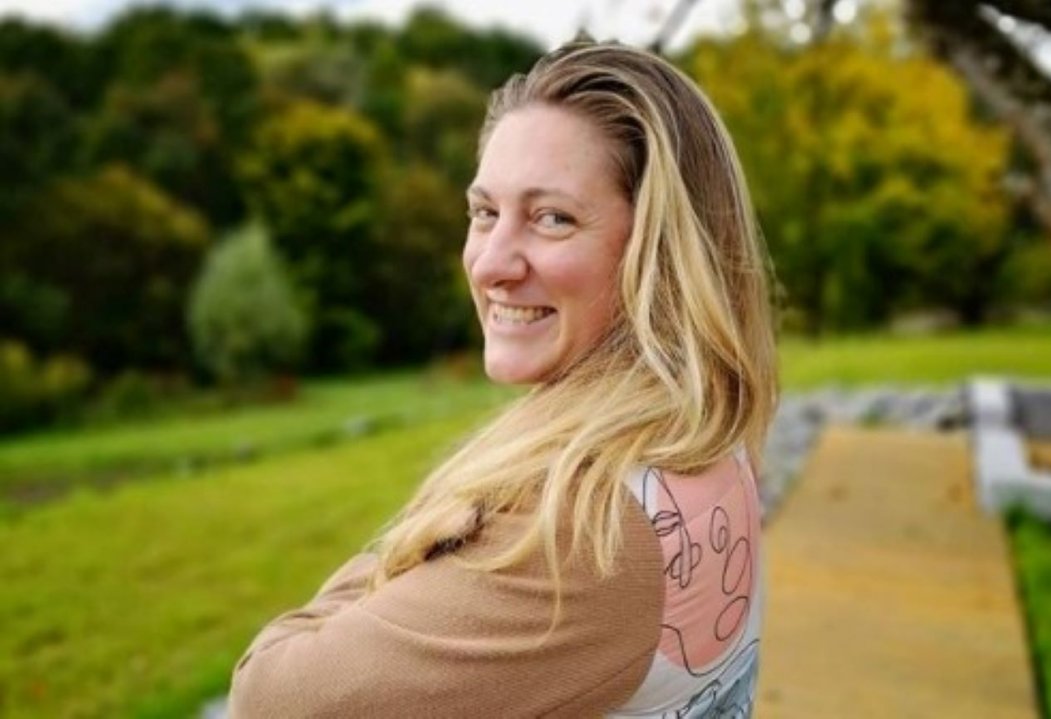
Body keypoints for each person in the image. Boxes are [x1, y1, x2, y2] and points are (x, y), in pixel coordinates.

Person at [228, 39, 777, 718]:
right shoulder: (700, 434)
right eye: (485, 212)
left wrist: (422, 541)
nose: (490, 263)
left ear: (659, 253)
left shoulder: (578, 528)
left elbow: (271, 696)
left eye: (552, 218)